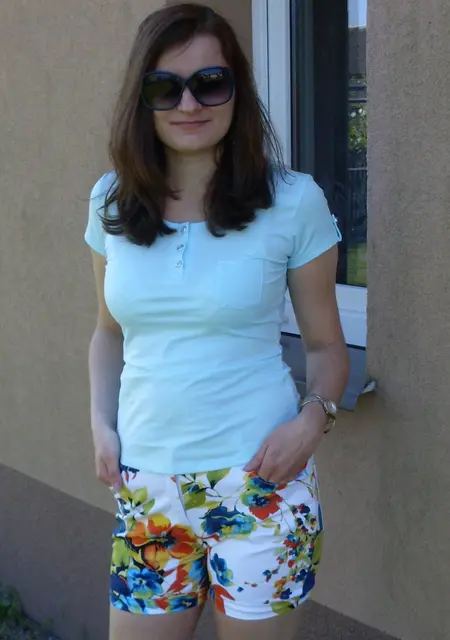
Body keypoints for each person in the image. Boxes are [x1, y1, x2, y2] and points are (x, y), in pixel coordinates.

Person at [84, 4, 349, 640]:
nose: (188, 103)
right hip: (147, 491)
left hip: (260, 486)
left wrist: (310, 423)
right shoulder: (111, 200)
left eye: (210, 82)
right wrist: (99, 423)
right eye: (165, 86)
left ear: (237, 90)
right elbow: (108, 332)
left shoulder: (293, 201)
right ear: (141, 98)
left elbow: (327, 348)